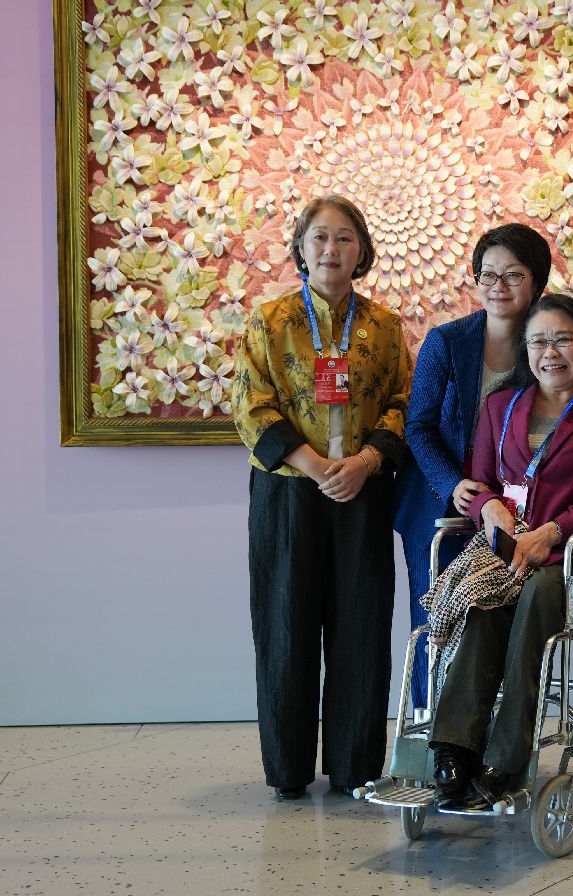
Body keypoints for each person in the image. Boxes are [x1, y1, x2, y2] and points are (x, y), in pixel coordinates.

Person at [232, 194, 413, 800]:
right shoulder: (270, 320)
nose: (331, 249)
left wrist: (364, 463)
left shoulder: (385, 326)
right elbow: (251, 407)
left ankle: (356, 766)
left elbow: (403, 403)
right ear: (301, 248)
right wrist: (313, 467)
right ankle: (287, 770)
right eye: (320, 237)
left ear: (362, 251)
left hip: (362, 489)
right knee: (285, 624)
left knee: (361, 623)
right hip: (288, 492)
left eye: (344, 238)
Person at [427, 294, 573, 808]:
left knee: (538, 590)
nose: (550, 352)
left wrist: (555, 531)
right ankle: (454, 746)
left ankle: (507, 753)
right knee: (483, 603)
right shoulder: (500, 406)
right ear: (525, 349)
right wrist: (488, 507)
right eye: (539, 341)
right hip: (509, 554)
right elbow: (480, 482)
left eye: (563, 339)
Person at [393, 223, 552, 709]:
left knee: (492, 619)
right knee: (435, 617)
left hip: (510, 506)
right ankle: (427, 724)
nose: (498, 286)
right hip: (440, 502)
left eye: (513, 275)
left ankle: (483, 731)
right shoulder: (447, 341)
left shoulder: (546, 344)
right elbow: (417, 426)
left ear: (537, 281)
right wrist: (452, 482)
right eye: (488, 274)